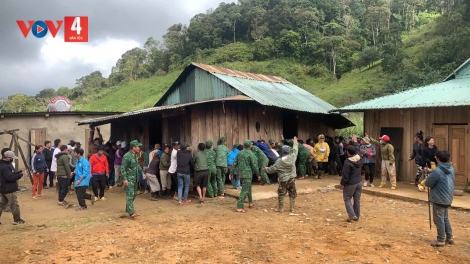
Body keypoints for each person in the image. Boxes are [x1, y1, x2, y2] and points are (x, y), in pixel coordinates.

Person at [423, 150, 454, 247]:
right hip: (448, 197)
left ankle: (441, 240)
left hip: (439, 198)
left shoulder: (437, 171)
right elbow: (441, 173)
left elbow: (428, 183)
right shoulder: (451, 168)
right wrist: (431, 171)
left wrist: (429, 174)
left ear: (438, 159)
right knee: (445, 218)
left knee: (438, 219)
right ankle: (450, 237)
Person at [264, 136, 299, 213]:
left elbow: (271, 170)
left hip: (283, 180)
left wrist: (264, 169)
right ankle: (292, 208)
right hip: (292, 179)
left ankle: (281, 208)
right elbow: (296, 150)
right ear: (289, 151)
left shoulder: (279, 161)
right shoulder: (293, 157)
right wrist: (295, 142)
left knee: (281, 193)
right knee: (292, 193)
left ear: (282, 152)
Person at [230, 140, 259, 213]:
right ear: (250, 146)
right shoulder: (251, 154)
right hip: (248, 174)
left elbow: (234, 163)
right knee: (244, 190)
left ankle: (250, 202)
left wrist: (231, 173)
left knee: (248, 188)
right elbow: (254, 165)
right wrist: (258, 174)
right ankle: (239, 207)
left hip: (241, 174)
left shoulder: (239, 153)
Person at [121, 140, 146, 218]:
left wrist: (142, 173)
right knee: (130, 195)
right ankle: (131, 213)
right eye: (138, 146)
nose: (139, 148)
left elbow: (137, 166)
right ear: (133, 147)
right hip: (129, 179)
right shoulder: (127, 156)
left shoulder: (135, 155)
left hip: (135, 178)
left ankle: (128, 208)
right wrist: (125, 179)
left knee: (134, 194)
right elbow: (123, 168)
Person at [0, 151, 25, 225]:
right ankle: (17, 220)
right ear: (7, 158)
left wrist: (19, 172)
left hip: (3, 188)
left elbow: (11, 174)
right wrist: (20, 175)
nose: (12, 159)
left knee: (1, 204)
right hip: (9, 189)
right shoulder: (5, 167)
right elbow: (9, 178)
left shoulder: (5, 165)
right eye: (11, 158)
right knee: (14, 204)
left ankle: (17, 219)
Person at [339, 146, 363, 222]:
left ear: (348, 152)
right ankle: (356, 215)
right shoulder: (359, 157)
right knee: (357, 200)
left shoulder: (348, 162)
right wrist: (355, 142)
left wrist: (342, 184)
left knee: (347, 198)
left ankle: (352, 215)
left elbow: (345, 175)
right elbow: (358, 150)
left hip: (351, 183)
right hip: (359, 182)